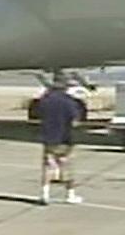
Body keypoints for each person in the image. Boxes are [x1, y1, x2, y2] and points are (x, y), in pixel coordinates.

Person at [38, 73, 83, 205]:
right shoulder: (69, 101)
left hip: (48, 137)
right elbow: (75, 121)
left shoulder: (45, 100)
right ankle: (70, 195)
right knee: (66, 166)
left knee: (48, 166)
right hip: (64, 138)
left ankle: (44, 194)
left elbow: (39, 115)